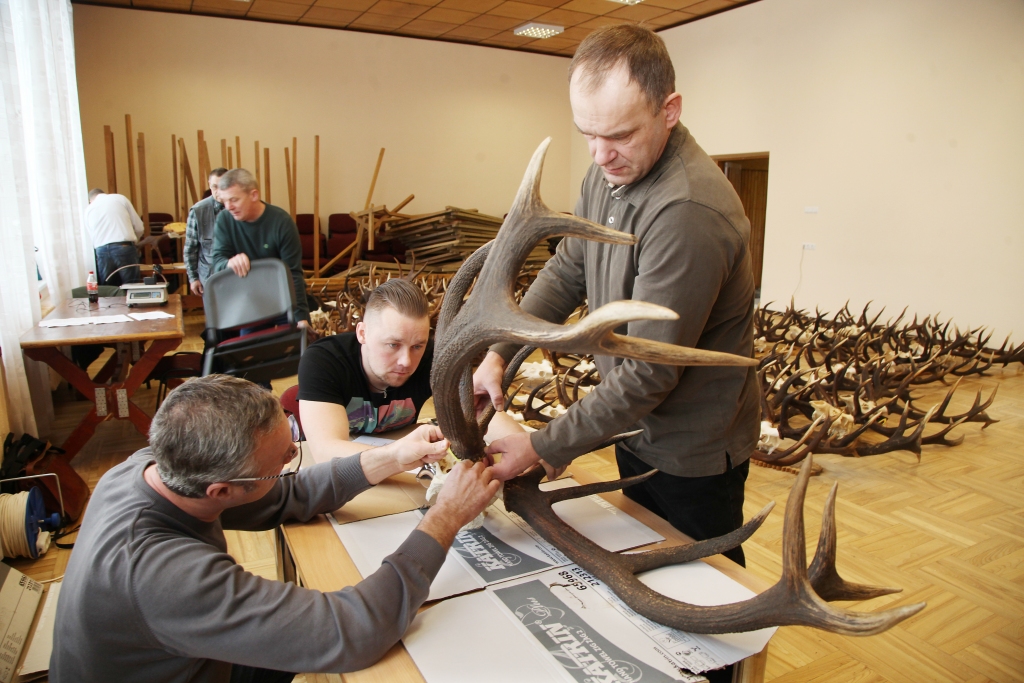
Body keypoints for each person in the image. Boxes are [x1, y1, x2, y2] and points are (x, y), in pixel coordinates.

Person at [474, 25, 759, 570]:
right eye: (588, 134)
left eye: (620, 135)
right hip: (631, 424)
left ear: (669, 110)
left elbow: (649, 373)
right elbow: (568, 267)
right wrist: (499, 354)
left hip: (689, 451)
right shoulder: (609, 172)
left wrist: (542, 446)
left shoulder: (687, 212)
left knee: (704, 578)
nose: (601, 155)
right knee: (647, 560)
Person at [51, 374, 500, 682]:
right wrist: (445, 518)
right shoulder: (161, 576)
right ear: (222, 491)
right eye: (283, 459)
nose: (292, 460)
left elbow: (284, 495)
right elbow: (353, 630)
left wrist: (389, 457)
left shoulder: (149, 467)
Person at [297, 279, 520, 463]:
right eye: (393, 345)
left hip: (392, 461)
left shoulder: (432, 359)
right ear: (363, 333)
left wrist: (528, 447)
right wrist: (397, 455)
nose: (406, 362)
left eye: (417, 346)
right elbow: (326, 452)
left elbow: (473, 413)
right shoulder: (324, 361)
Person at [211, 168, 310, 327]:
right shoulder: (224, 220)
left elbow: (293, 274)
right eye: (224, 201)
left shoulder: (282, 222)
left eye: (234, 199)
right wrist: (228, 263)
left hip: (283, 304)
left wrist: (301, 318)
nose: (228, 207)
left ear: (254, 195)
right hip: (247, 306)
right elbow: (216, 263)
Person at [84, 188, 144, 286]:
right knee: (132, 287)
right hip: (124, 247)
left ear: (90, 200)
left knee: (108, 290)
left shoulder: (88, 209)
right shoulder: (119, 198)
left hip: (101, 250)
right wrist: (134, 243)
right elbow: (139, 227)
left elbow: (91, 237)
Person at [184, 167, 228, 296]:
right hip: (209, 277)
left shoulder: (240, 208)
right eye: (214, 187)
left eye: (223, 186)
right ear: (209, 185)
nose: (218, 191)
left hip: (236, 275)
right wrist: (193, 278)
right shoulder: (198, 211)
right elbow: (190, 249)